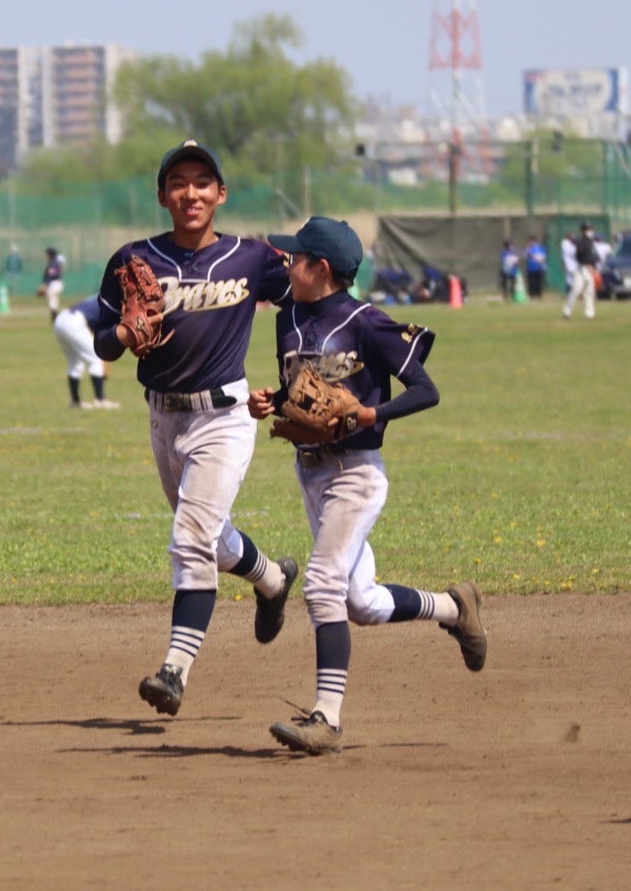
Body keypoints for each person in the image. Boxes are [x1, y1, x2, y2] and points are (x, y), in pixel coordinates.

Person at [249, 216, 487, 755]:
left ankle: (326, 720)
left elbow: (426, 391)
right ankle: (455, 608)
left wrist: (370, 412)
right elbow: (297, 392)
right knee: (361, 601)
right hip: (311, 473)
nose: (288, 264)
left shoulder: (367, 321)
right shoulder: (287, 315)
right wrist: (269, 402)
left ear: (322, 268)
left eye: (296, 258)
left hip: (356, 475)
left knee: (322, 586)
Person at [94, 138, 298, 717]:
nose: (191, 192)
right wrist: (124, 337)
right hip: (162, 415)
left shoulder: (251, 258)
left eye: (202, 182)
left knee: (190, 541)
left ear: (221, 194)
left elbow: (298, 304)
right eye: (178, 182)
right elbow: (100, 339)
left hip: (226, 416)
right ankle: (273, 581)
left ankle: (173, 673)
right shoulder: (133, 259)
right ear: (162, 195)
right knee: (210, 535)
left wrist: (290, 377)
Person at [54, 293, 117, 409]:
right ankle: (100, 399)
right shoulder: (111, 303)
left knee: (76, 361)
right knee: (96, 357)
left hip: (61, 320)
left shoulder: (102, 297)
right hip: (74, 322)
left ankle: (75, 401)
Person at [562, 222, 599, 320]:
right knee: (576, 290)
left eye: (591, 229)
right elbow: (579, 255)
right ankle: (567, 311)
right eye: (588, 230)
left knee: (589, 292)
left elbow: (595, 256)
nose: (590, 231)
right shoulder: (580, 242)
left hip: (590, 269)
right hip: (582, 268)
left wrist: (594, 267)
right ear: (584, 231)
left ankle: (589, 313)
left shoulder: (591, 242)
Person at [38, 247, 66, 322]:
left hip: (54, 283)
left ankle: (55, 315)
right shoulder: (56, 262)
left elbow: (51, 275)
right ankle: (55, 315)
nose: (46, 255)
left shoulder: (53, 262)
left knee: (51, 297)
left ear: (51, 254)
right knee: (53, 299)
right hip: (57, 283)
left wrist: (45, 285)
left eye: (47, 254)